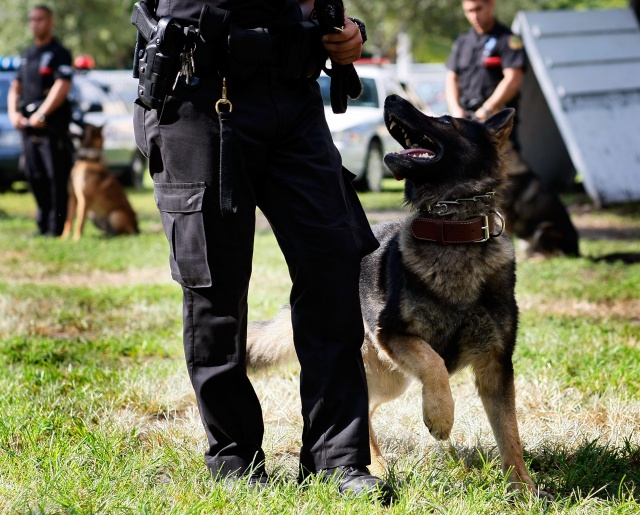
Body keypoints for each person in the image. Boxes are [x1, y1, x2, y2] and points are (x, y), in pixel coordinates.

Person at [131, 0, 393, 503]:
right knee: (215, 285)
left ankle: (335, 460)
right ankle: (235, 460)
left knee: (334, 264)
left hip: (293, 92)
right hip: (199, 91)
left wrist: (346, 30)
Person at [8, 5, 74, 237]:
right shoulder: (27, 54)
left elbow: (62, 85)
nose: (35, 23)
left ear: (51, 22)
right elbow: (16, 87)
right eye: (32, 20)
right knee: (34, 176)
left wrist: (42, 114)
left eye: (40, 19)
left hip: (52, 129)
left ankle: (56, 228)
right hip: (28, 129)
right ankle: (42, 224)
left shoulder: (59, 53)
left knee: (55, 177)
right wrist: (13, 114)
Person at [445, 0, 524, 127]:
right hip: (465, 120)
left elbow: (513, 79)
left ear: (491, 5)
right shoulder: (462, 41)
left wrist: (487, 109)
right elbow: (451, 77)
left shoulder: (509, 39)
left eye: (478, 9)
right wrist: (455, 109)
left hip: (497, 124)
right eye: (469, 11)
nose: (474, 16)